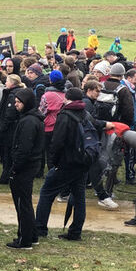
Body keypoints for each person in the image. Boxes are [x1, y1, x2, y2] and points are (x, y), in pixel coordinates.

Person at [34, 88, 93, 241]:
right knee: (79, 197)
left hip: (66, 163)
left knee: (46, 193)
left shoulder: (65, 115)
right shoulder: (86, 114)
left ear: (66, 98)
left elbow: (57, 141)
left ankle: (40, 228)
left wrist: (54, 162)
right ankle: (75, 232)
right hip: (82, 162)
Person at [6, 88, 44, 249]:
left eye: (19, 102)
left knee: (23, 204)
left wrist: (15, 168)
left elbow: (24, 148)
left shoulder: (28, 121)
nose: (16, 105)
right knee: (25, 203)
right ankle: (31, 234)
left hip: (25, 167)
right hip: (29, 165)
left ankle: (25, 238)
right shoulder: (31, 119)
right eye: (15, 102)